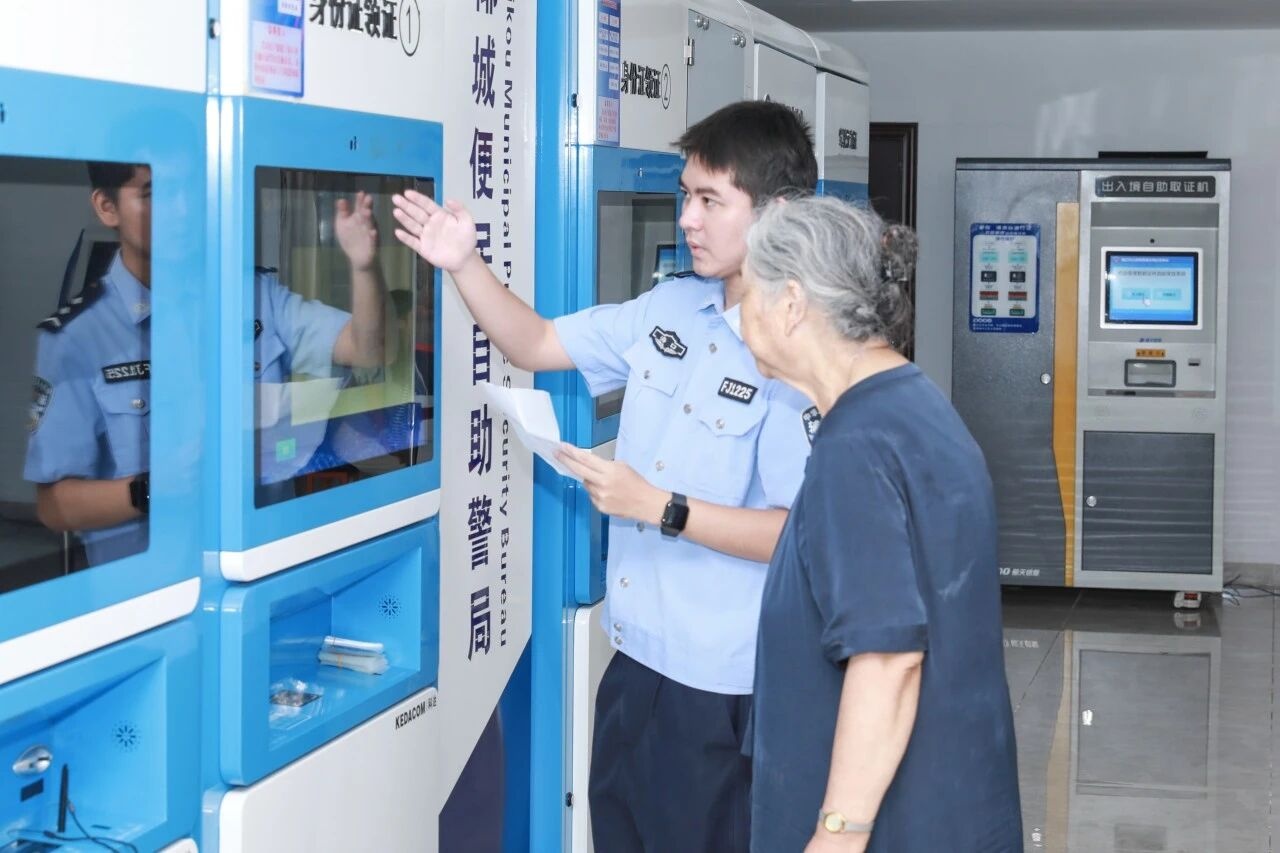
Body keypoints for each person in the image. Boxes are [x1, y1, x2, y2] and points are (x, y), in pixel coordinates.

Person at [392, 100, 819, 852]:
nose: (688, 218)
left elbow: (800, 535)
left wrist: (660, 506)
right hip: (631, 665)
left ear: (776, 212)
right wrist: (464, 265)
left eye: (711, 200)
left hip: (722, 692)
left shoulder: (798, 349)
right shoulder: (669, 308)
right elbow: (536, 343)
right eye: (686, 195)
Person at [738, 195, 1022, 852]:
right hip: (954, 797)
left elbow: (889, 657)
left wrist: (838, 832)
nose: (739, 314)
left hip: (893, 820)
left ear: (790, 304)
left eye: (747, 293)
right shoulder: (913, 400)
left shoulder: (854, 443)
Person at [24, 162, 387, 566]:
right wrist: (156, 489)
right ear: (107, 207)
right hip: (151, 584)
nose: (181, 209)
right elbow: (54, 506)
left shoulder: (254, 296)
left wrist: (364, 267)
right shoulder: (77, 336)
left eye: (187, 188)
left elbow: (367, 350)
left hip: (261, 565)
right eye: (153, 194)